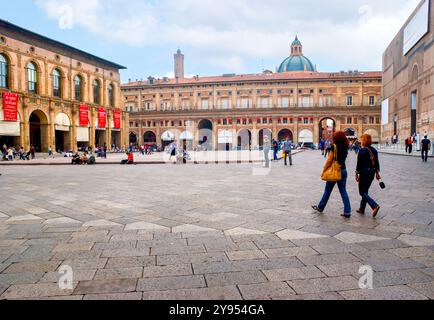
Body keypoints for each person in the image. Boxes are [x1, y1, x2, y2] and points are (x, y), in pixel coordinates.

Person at [312, 131, 352, 218]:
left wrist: (324, 170)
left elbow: (329, 161)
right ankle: (347, 211)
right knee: (343, 191)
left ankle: (320, 207)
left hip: (334, 171)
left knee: (327, 191)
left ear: (335, 138)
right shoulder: (346, 147)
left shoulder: (334, 147)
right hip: (343, 170)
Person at [356, 134, 381, 218]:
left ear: (364, 140)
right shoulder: (374, 150)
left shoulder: (362, 150)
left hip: (364, 172)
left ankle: (374, 206)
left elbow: (359, 164)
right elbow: (377, 163)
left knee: (361, 192)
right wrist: (377, 173)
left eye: (362, 139)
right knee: (365, 190)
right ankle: (362, 209)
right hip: (372, 173)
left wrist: (357, 173)